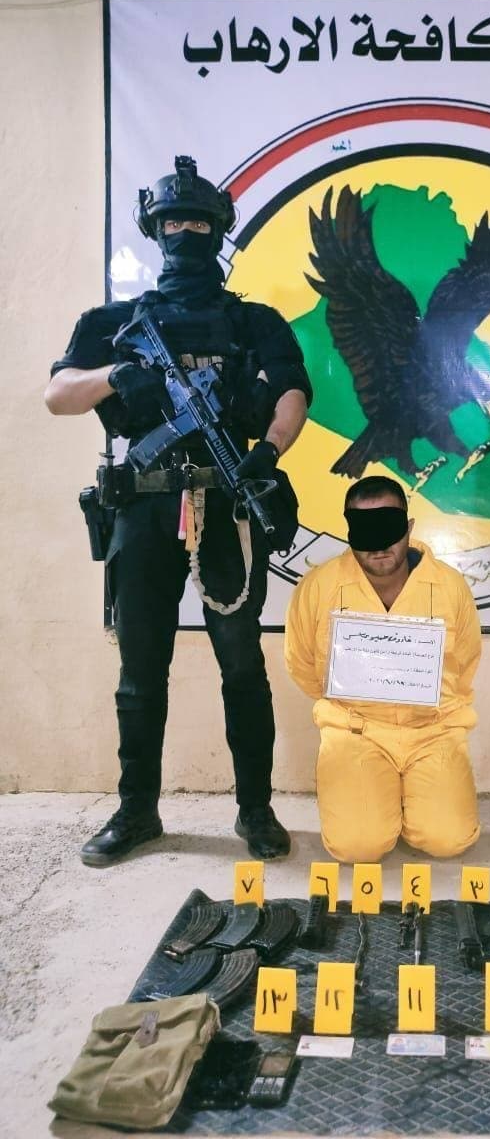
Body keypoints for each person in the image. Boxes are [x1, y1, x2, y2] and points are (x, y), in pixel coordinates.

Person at [45, 155, 312, 866]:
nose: (185, 233)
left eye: (197, 223)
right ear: (155, 231)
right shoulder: (114, 321)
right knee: (140, 667)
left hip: (227, 503)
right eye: (173, 223)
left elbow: (292, 391)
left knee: (241, 662)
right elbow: (58, 395)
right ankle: (137, 812)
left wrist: (269, 451)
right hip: (143, 506)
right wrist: (116, 375)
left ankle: (255, 811)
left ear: (217, 232)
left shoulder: (252, 320)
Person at [285, 477, 481, 863]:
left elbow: (466, 661)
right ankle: (376, 801)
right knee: (357, 847)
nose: (378, 546)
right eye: (365, 530)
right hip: (355, 732)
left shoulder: (449, 586)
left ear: (408, 527)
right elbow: (301, 663)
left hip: (433, 731)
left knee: (448, 840)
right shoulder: (319, 587)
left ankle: (416, 801)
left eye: (388, 529)